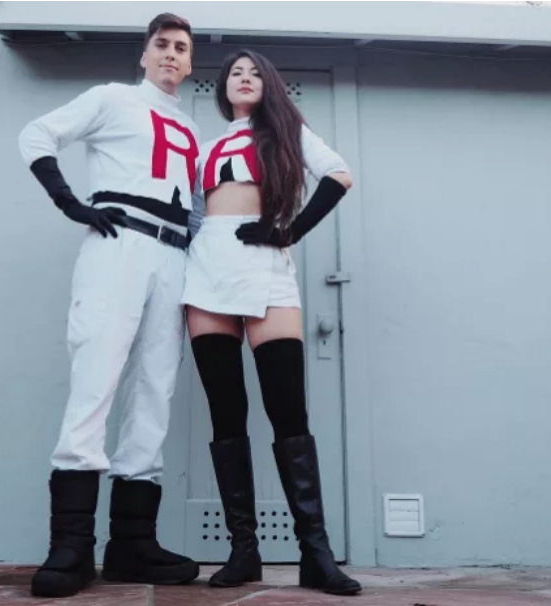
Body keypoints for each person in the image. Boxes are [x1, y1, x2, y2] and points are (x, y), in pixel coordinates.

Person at [18, 13, 202, 598]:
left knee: (155, 389)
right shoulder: (113, 98)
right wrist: (71, 203)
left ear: (190, 63)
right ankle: (71, 548)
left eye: (181, 48)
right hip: (119, 244)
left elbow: (196, 203)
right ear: (144, 54)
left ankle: (131, 543)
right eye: (161, 44)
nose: (170, 53)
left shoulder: (192, 128)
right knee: (96, 378)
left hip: (175, 254)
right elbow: (37, 135)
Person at [181, 50, 362, 596]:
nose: (244, 78)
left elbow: (339, 176)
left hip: (265, 268)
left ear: (270, 85)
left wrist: (290, 231)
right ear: (223, 87)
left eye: (255, 72)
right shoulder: (205, 148)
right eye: (235, 72)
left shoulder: (286, 133)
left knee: (288, 412)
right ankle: (245, 551)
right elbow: (190, 214)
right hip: (206, 270)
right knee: (226, 412)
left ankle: (315, 554)